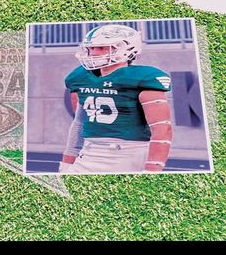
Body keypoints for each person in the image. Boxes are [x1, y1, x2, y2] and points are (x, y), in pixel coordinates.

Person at [60, 24, 172, 173]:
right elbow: (79, 123)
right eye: (91, 48)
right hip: (88, 152)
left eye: (102, 48)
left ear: (126, 49)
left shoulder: (143, 77)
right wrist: (67, 162)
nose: (93, 53)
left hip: (128, 154)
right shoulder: (81, 77)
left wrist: (153, 168)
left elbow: (162, 128)